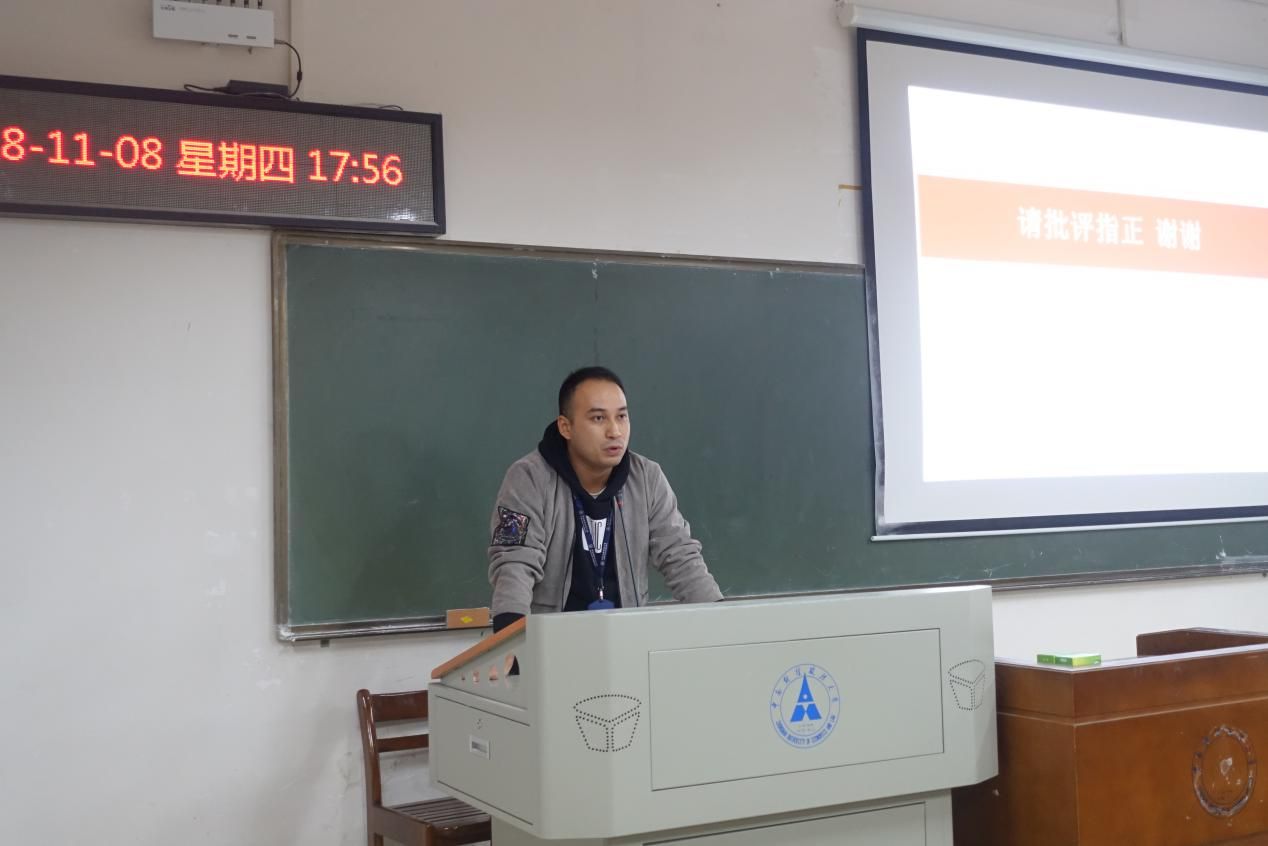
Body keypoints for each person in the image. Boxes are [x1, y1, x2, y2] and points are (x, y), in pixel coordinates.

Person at [488, 366, 722, 632]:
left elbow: (680, 556)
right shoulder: (528, 478)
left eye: (621, 416)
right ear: (566, 427)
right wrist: (511, 641)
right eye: (598, 418)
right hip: (552, 642)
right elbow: (514, 562)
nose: (615, 431)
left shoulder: (647, 478)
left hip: (627, 640)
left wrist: (722, 623)